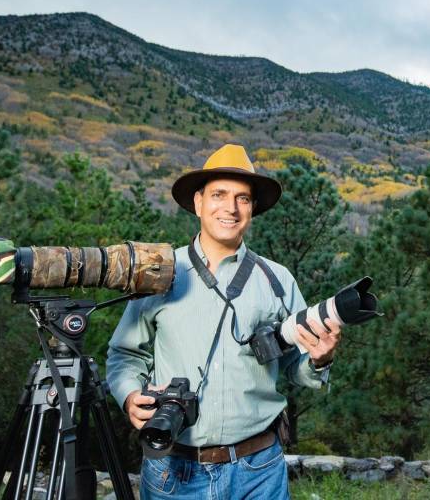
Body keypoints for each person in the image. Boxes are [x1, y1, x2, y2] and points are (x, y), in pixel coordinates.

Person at [106, 144, 340, 499]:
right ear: (198, 203)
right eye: (219, 195)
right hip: (173, 468)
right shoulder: (158, 274)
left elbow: (296, 365)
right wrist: (129, 396)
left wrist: (320, 360)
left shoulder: (277, 280)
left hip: (259, 469)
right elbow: (124, 355)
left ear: (253, 208)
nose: (230, 208)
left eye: (242, 198)